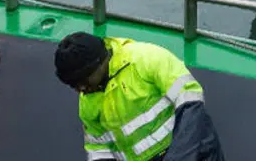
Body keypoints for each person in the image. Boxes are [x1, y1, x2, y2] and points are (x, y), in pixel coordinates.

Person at [55, 32, 225, 161]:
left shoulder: (146, 59)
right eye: (73, 85)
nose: (80, 89)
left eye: (83, 80)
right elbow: (98, 147)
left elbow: (190, 102)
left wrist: (179, 156)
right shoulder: (88, 100)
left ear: (100, 63)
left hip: (193, 152)